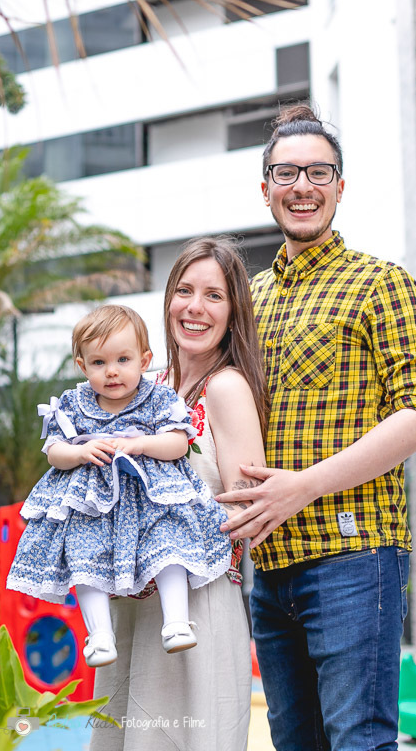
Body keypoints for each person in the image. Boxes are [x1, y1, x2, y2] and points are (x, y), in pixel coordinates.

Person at [217, 102, 416, 751]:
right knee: (295, 743)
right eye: (286, 173)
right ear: (265, 189)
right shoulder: (248, 300)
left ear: (341, 187)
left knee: (358, 742)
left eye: (319, 172)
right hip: (272, 564)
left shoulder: (382, 283)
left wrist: (305, 486)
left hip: (355, 557)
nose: (303, 187)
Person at [91, 237, 269, 751]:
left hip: (196, 602)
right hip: (133, 599)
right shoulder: (148, 385)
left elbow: (247, 507)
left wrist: (166, 521)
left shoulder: (226, 387)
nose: (195, 307)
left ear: (234, 312)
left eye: (214, 296)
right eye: (185, 290)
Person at [6, 304, 230, 668]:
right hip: (92, 507)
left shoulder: (157, 398)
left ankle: (175, 622)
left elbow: (178, 443)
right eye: (98, 363)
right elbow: (53, 452)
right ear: (82, 366)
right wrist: (80, 451)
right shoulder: (73, 403)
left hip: (153, 502)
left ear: (145, 360)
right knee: (83, 558)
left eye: (123, 359)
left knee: (169, 545)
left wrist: (140, 444)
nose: (112, 372)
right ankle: (99, 636)